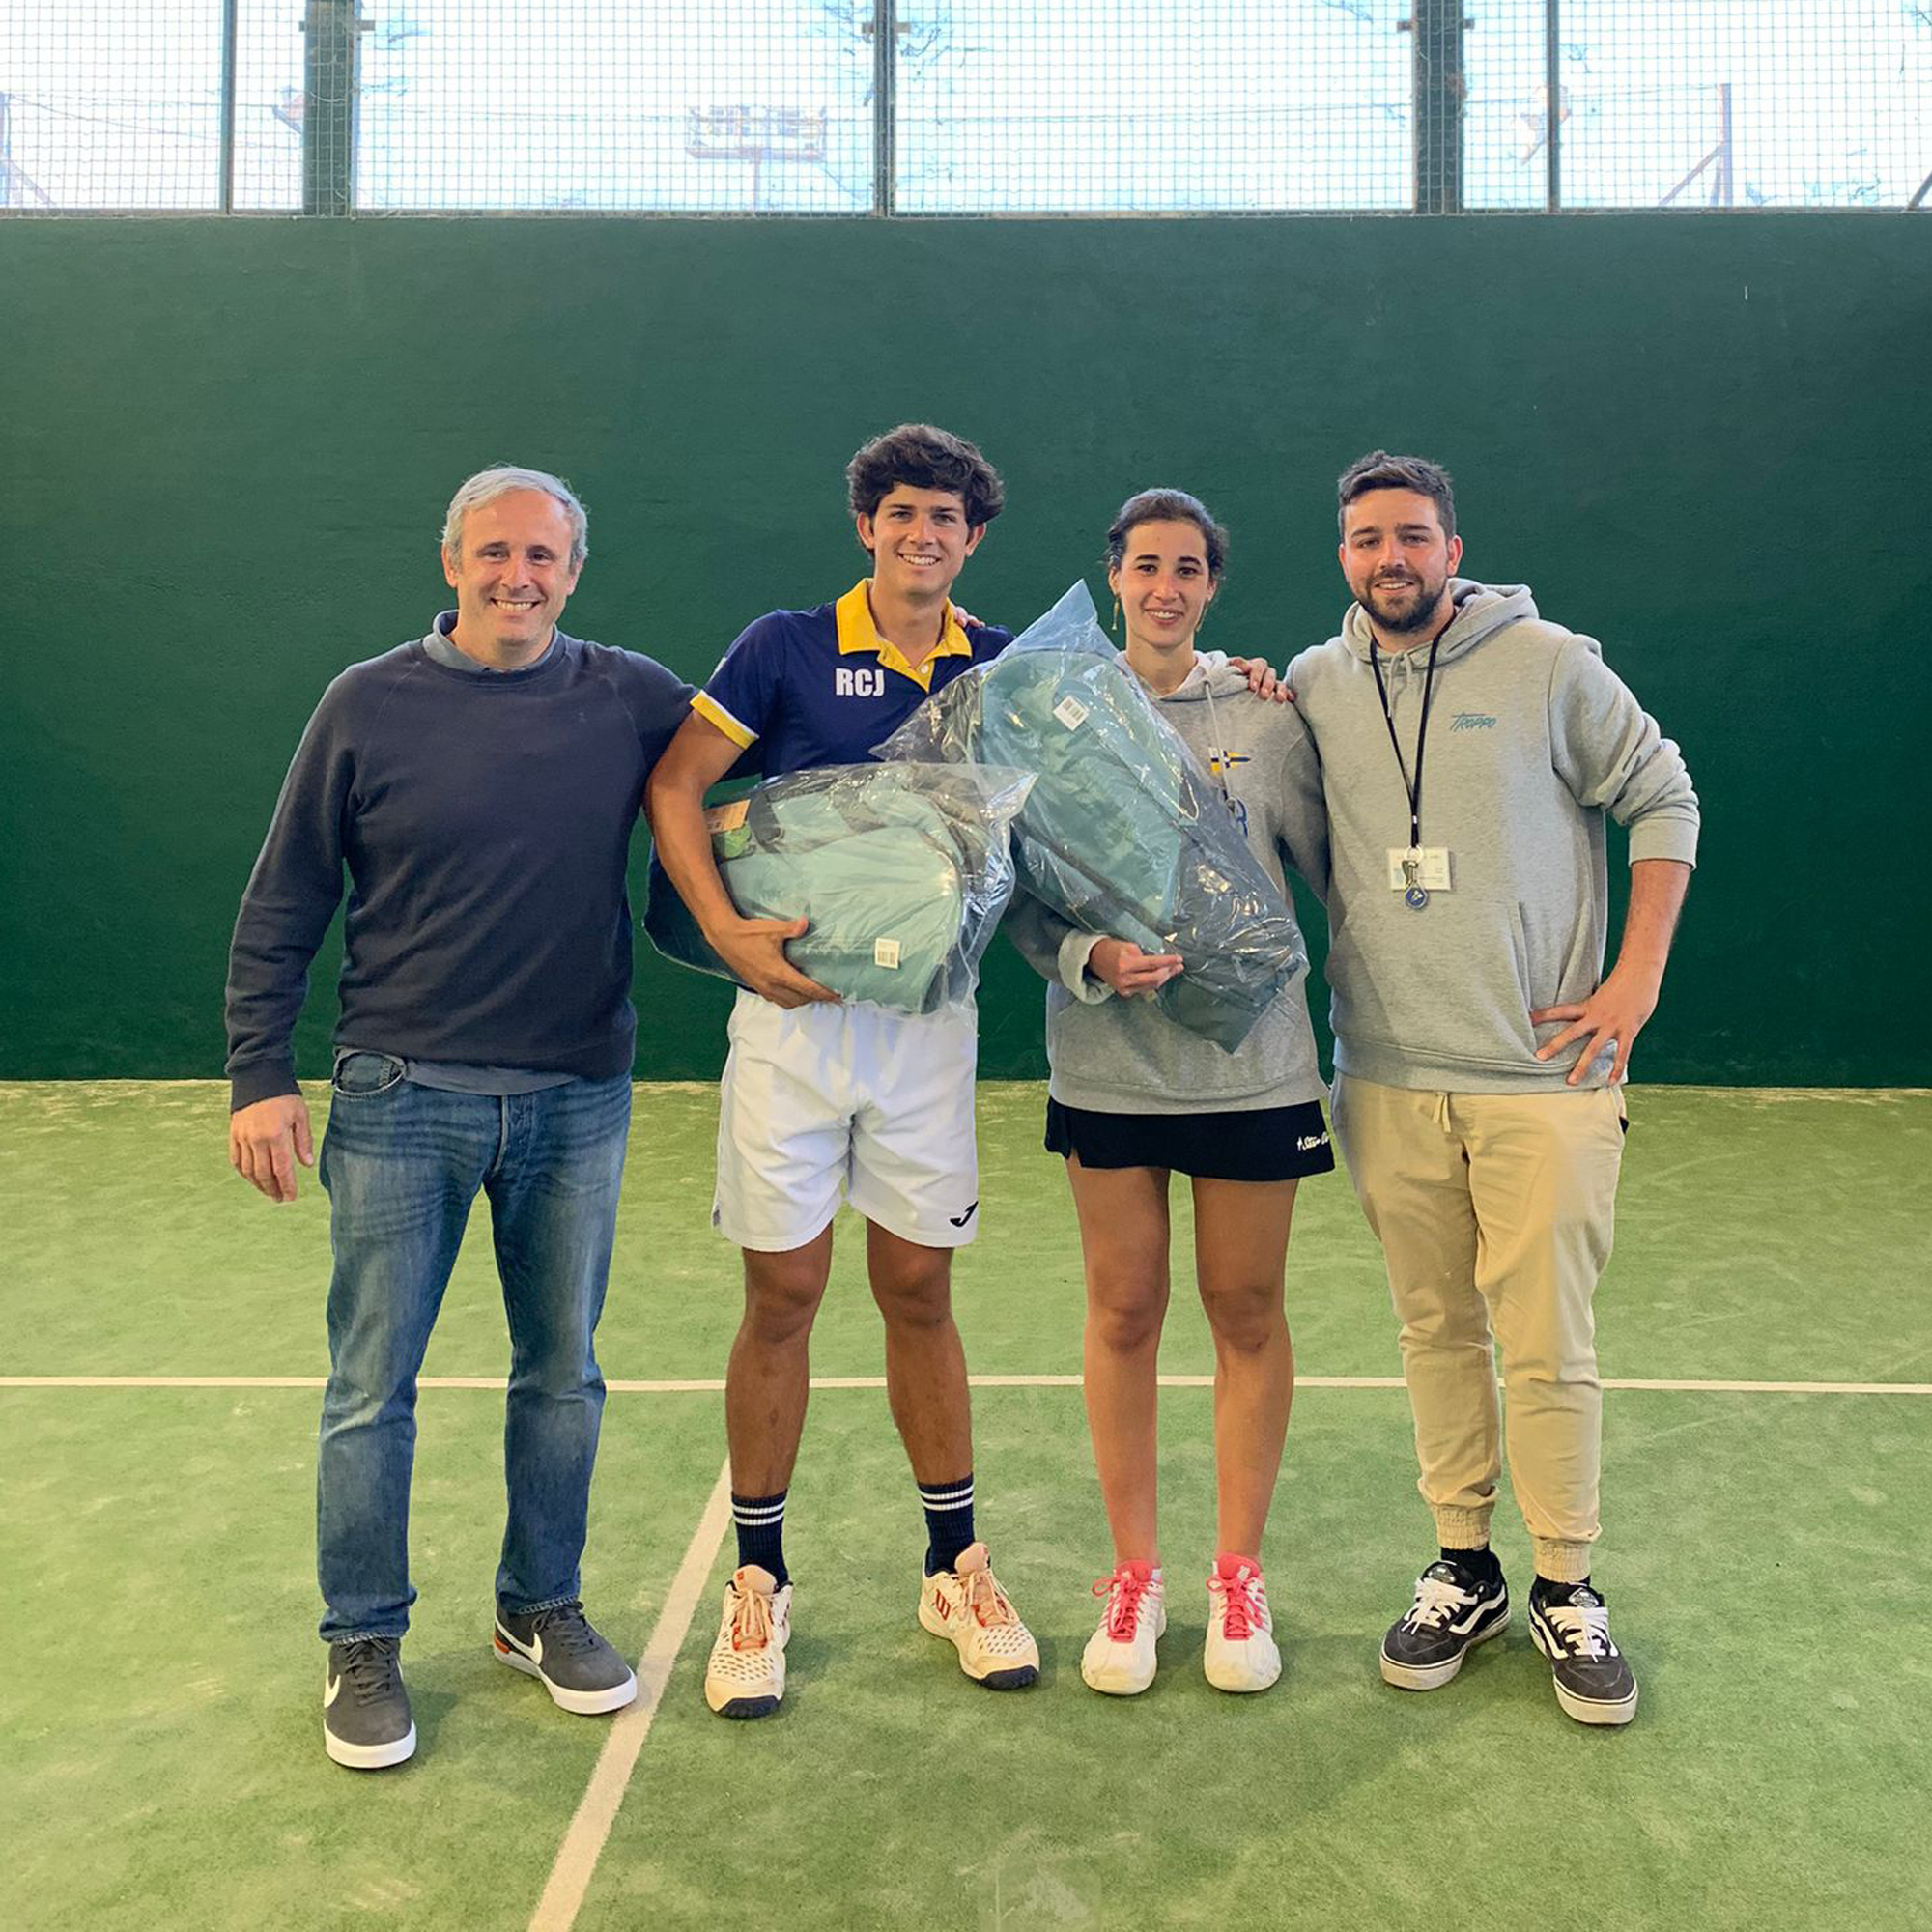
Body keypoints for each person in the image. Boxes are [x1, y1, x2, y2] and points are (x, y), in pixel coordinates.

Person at [224, 467, 693, 1769]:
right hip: (400, 1095)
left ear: (574, 572)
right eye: (494, 552)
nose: (517, 577)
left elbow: (756, 769)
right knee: (371, 1388)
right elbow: (286, 897)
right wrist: (259, 1073)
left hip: (577, 1098)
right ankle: (362, 1639)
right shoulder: (364, 703)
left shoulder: (631, 695)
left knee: (564, 1375)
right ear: (452, 564)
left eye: (542, 556)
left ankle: (538, 1607)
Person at [1288, 450, 1699, 1727]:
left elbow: (1663, 794)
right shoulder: (1313, 683)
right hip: (1386, 1079)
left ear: (1452, 549)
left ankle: (1565, 1582)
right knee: (1433, 1330)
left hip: (1543, 1081)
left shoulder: (1549, 663)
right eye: (1368, 539)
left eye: (1412, 535)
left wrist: (1633, 983)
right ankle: (1462, 1567)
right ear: (1343, 555)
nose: (1390, 558)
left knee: (1547, 1341)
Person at [645, 424, 1041, 1719]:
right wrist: (721, 929)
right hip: (795, 1022)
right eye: (902, 513)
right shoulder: (783, 646)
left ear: (972, 539)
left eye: (946, 518)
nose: (923, 534)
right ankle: (758, 1580)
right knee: (784, 1293)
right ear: (867, 526)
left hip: (929, 1029)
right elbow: (676, 784)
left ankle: (953, 1568)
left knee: (918, 1289)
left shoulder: (997, 666)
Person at [1010, 490, 1334, 1697]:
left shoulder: (1267, 714)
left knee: (1244, 1309)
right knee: (1123, 1308)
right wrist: (1085, 955)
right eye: (1144, 565)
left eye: (1186, 568)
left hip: (1252, 1067)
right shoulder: (1057, 712)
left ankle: (1237, 1576)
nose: (1164, 586)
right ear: (1112, 577)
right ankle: (1133, 1575)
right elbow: (1022, 893)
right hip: (1108, 1064)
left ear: (1211, 584)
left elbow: (1328, 874)